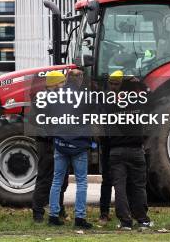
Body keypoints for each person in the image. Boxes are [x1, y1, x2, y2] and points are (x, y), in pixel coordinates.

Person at [105, 71, 152, 230]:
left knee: (120, 187)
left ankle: (125, 222)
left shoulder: (108, 102)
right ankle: (142, 220)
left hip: (116, 151)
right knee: (138, 187)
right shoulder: (137, 100)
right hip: (136, 150)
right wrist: (138, 83)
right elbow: (150, 95)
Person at [47, 69, 92, 229]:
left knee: (57, 180)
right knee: (81, 182)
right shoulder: (84, 97)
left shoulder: (55, 96)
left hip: (60, 143)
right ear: (79, 79)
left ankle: (53, 215)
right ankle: (80, 218)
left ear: (66, 79)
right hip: (79, 144)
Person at [31, 70, 69, 223]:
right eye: (62, 83)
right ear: (55, 84)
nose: (64, 86)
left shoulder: (47, 98)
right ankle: (38, 213)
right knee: (46, 178)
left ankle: (58, 210)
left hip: (53, 142)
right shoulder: (46, 100)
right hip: (48, 144)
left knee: (59, 178)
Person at [98, 70, 124, 224]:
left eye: (117, 84)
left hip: (120, 143)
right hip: (108, 143)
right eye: (111, 83)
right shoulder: (102, 98)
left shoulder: (128, 98)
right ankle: (104, 212)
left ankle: (124, 212)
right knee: (107, 179)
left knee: (122, 180)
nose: (114, 86)